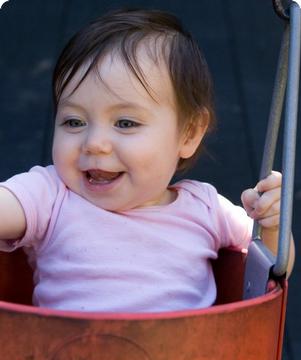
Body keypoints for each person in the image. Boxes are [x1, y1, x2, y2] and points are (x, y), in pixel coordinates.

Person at [0, 9, 294, 313]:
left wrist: (272, 226)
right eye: (74, 122)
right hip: (69, 357)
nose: (94, 143)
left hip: (184, 357)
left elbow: (273, 268)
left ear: (189, 134)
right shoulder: (50, 195)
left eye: (125, 123)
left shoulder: (206, 208)